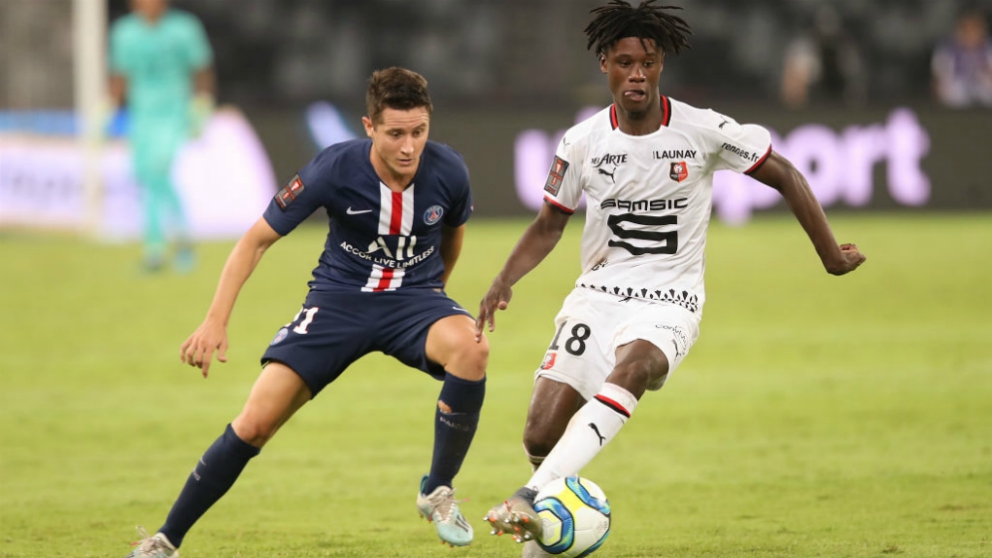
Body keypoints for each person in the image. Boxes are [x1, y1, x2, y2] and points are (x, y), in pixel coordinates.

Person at [475, 1, 866, 554]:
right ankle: (545, 521)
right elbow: (547, 226)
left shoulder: (703, 130)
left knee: (633, 368)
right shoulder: (582, 142)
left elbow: (785, 173)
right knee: (540, 435)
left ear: (661, 66)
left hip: (671, 298)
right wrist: (503, 279)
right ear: (604, 64)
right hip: (598, 294)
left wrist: (829, 254)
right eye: (625, 62)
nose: (638, 74)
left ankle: (526, 496)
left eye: (649, 63)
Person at [125, 67, 487, 557]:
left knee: (472, 346)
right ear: (368, 126)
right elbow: (254, 241)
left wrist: (433, 298)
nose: (408, 147)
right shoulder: (334, 169)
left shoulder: (449, 171)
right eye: (395, 133)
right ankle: (165, 541)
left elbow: (453, 235)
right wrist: (215, 320)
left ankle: (437, 491)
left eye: (418, 132)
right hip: (339, 302)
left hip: (415, 301)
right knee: (254, 423)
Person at [109, 0, 215, 272]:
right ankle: (181, 241)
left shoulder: (184, 28)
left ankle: (155, 249)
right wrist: (110, 107)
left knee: (158, 170)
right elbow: (121, 75)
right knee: (148, 177)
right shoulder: (124, 32)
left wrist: (201, 103)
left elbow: (201, 68)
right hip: (141, 115)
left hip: (174, 113)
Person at [780, 5, 865, 109]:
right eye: (822, 37)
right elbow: (791, 92)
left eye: (831, 38)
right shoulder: (802, 50)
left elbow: (856, 92)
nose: (827, 41)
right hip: (808, 104)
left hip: (838, 102)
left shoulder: (846, 49)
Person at [931, 9, 992, 108]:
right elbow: (938, 77)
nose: (971, 34)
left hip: (981, 87)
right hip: (958, 88)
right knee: (954, 91)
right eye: (967, 30)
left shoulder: (988, 49)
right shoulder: (947, 50)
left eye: (975, 29)